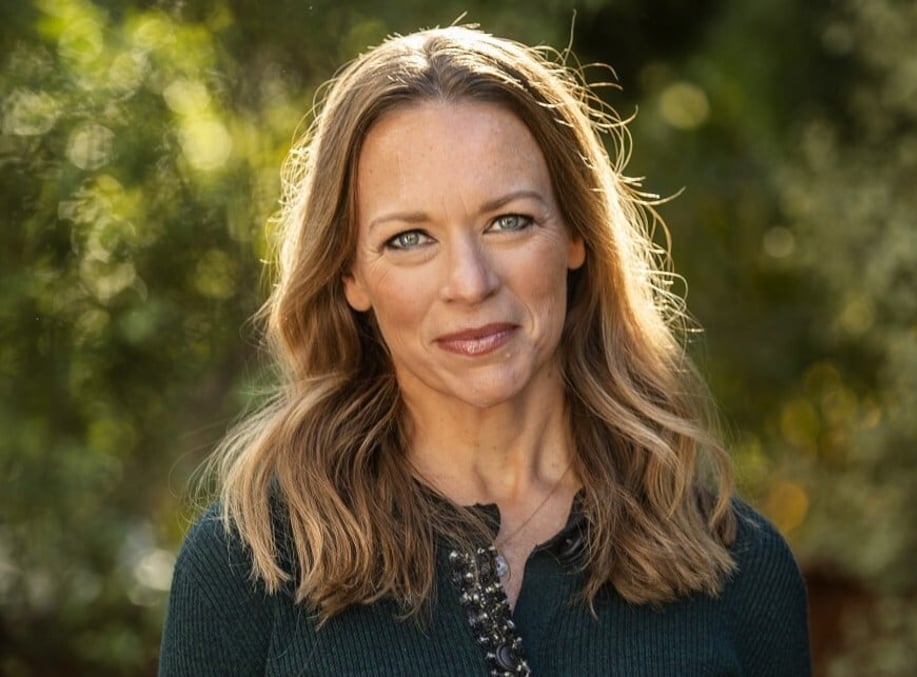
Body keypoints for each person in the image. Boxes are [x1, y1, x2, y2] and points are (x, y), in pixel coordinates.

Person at [159, 25, 810, 676]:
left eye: (509, 221)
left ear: (576, 235)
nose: (470, 283)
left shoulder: (738, 565)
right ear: (349, 274)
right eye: (409, 238)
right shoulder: (246, 564)